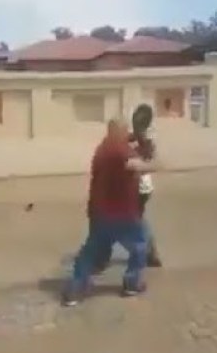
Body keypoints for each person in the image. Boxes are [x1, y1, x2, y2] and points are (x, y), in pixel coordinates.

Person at [62, 118, 159, 307]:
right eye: (125, 132)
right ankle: (132, 283)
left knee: (90, 252)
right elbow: (137, 166)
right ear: (121, 131)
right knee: (139, 245)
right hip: (123, 213)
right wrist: (157, 162)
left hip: (101, 212)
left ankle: (75, 288)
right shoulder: (120, 150)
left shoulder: (103, 147)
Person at [91, 104, 162, 274]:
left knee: (124, 220)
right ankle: (150, 253)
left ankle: (104, 257)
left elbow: (147, 157)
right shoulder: (132, 137)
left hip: (138, 186)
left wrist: (139, 139)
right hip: (134, 185)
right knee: (134, 219)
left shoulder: (146, 139)